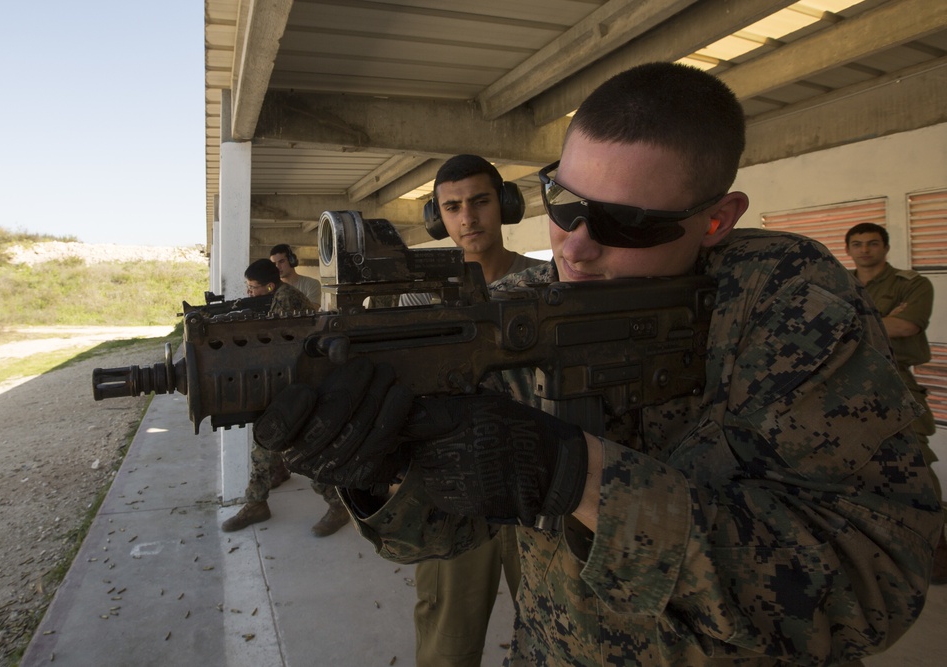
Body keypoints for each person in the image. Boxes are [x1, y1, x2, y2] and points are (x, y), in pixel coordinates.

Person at [251, 62, 943, 665]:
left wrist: (578, 475)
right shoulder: (517, 309)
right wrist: (381, 472)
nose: (576, 248)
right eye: (565, 204)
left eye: (626, 224)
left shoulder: (791, 306)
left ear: (717, 219)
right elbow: (442, 532)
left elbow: (872, 584)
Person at [403, 154, 546, 666]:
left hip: (543, 485)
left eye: (481, 201)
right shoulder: (419, 301)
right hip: (456, 494)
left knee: (559, 631)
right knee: (447, 641)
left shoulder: (549, 283)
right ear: (437, 217)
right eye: (453, 207)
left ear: (504, 205)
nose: (468, 218)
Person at [845, 222, 945, 583]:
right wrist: (881, 320)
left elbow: (907, 326)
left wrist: (845, 322)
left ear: (885, 247)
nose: (865, 250)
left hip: (894, 379)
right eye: (857, 244)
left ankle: (937, 549)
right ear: (850, 250)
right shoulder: (839, 281)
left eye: (873, 243)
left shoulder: (911, 283)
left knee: (915, 457)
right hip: (847, 380)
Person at [221, 261, 349, 537]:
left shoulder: (285, 299)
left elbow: (276, 344)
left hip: (303, 386)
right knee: (267, 443)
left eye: (253, 287)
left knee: (299, 450)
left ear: (269, 286)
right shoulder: (278, 296)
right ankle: (257, 502)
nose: (250, 292)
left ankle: (338, 505)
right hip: (293, 383)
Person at [270, 243, 321, 309]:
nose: (277, 266)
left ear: (292, 261)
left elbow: (313, 310)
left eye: (281, 261)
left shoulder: (311, 284)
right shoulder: (272, 287)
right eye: (274, 264)